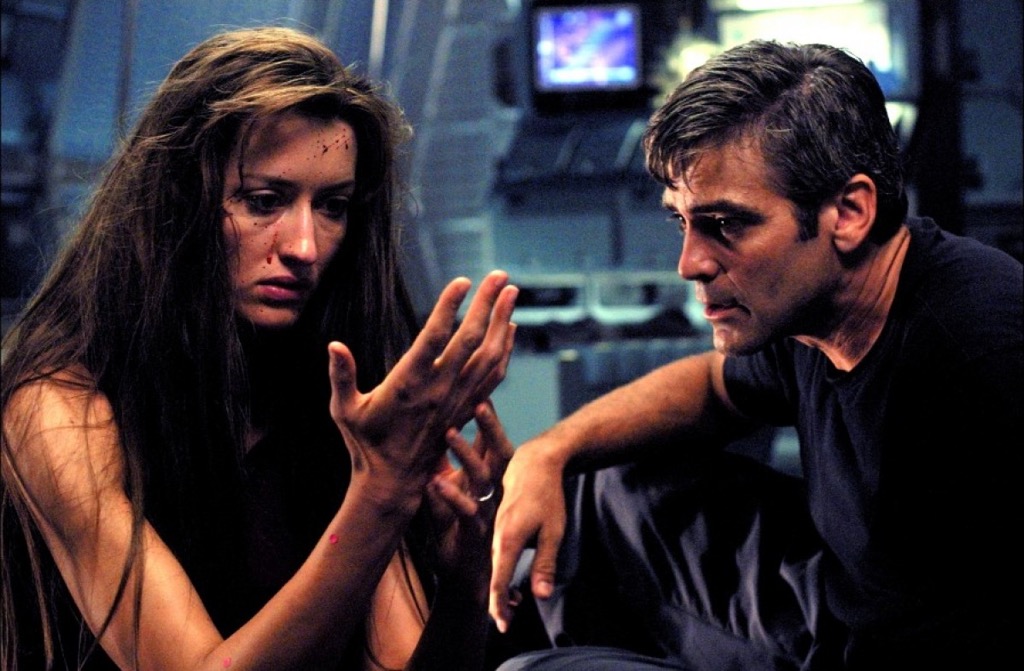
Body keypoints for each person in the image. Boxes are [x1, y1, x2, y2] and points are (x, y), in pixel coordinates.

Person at [489, 40, 1022, 670]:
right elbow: (714, 388)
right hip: (840, 600)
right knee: (605, 487)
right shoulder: (813, 313)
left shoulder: (980, 357)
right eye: (682, 222)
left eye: (727, 224)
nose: (690, 263)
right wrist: (548, 451)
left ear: (849, 213)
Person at [0, 26, 520, 671]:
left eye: (332, 207)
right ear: (178, 204)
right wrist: (381, 495)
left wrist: (469, 571)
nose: (304, 246)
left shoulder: (330, 399)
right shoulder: (57, 409)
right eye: (264, 201)